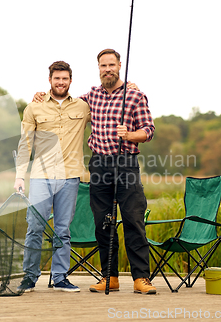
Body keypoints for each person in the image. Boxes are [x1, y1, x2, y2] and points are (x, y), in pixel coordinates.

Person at [33, 49, 156, 294]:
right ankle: (109, 277)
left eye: (111, 64)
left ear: (120, 65)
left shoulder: (134, 96)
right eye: (103, 65)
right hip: (99, 165)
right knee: (102, 223)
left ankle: (141, 278)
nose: (107, 69)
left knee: (133, 220)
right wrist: (43, 96)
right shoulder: (90, 97)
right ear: (98, 68)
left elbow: (148, 130)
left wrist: (130, 135)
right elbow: (63, 104)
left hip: (126, 163)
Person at [14, 61, 90, 293]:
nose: (60, 82)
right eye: (56, 78)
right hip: (40, 176)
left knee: (63, 230)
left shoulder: (83, 107)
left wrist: (132, 86)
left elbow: (108, 103)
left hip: (70, 177)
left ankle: (60, 278)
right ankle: (29, 276)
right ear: (50, 80)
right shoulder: (33, 108)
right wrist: (20, 176)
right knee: (35, 226)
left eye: (64, 78)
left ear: (70, 81)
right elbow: (25, 144)